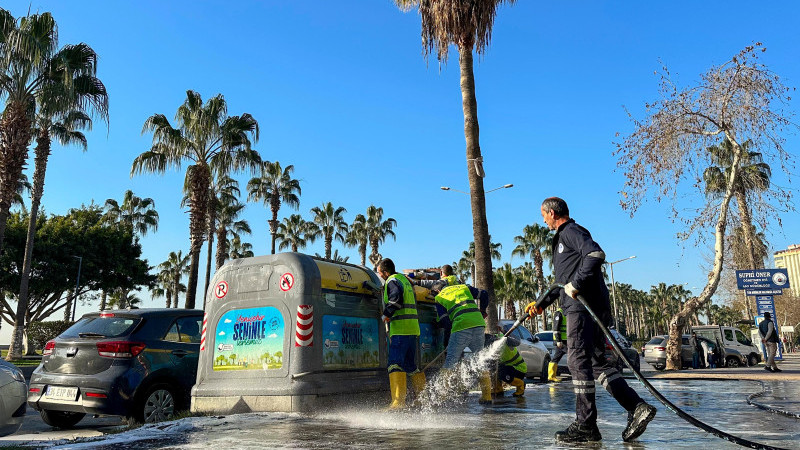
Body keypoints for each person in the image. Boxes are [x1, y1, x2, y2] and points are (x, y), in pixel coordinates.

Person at [525, 197, 656, 443]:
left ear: (552, 213)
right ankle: (636, 407)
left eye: (543, 214)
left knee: (577, 362)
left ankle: (585, 425)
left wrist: (577, 283)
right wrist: (540, 305)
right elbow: (562, 284)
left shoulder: (570, 231)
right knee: (597, 364)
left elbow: (595, 254)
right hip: (587, 308)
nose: (542, 219)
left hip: (582, 309)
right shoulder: (565, 238)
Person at [430, 281, 492, 404]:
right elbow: (484, 294)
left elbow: (445, 321)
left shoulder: (439, 297)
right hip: (479, 324)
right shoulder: (464, 287)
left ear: (437, 291)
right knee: (480, 360)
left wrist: (448, 338)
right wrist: (482, 310)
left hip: (461, 326)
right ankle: (487, 396)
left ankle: (441, 397)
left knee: (450, 361)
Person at [376, 258, 426, 408]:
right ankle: (423, 399)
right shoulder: (404, 279)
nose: (380, 276)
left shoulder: (392, 280)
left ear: (385, 272)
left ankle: (398, 403)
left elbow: (396, 300)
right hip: (412, 329)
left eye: (379, 273)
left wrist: (386, 314)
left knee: (394, 364)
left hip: (401, 330)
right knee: (410, 365)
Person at [485, 331, 527, 397]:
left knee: (502, 373)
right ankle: (498, 389)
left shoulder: (503, 339)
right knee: (494, 369)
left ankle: (520, 385)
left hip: (519, 368)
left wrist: (505, 333)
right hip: (509, 367)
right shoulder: (492, 344)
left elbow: (517, 342)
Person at [549, 307, 567, 382]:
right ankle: (551, 376)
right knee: (573, 356)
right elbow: (556, 328)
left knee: (557, 357)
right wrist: (558, 340)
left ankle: (551, 376)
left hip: (567, 339)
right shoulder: (559, 313)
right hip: (562, 340)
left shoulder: (567, 311)